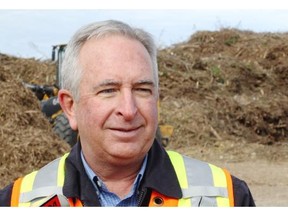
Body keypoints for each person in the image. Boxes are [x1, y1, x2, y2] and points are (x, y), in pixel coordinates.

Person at [0, 20, 255, 207]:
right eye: (108, 90)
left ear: (157, 98)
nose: (129, 110)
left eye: (142, 90)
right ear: (70, 106)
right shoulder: (17, 202)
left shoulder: (228, 197)